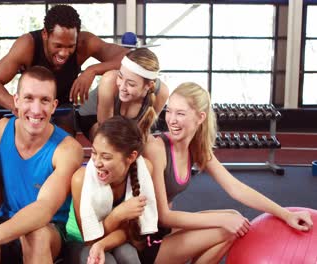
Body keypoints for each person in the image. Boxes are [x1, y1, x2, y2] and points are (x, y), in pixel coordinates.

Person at [141, 82, 314, 264]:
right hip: (146, 242)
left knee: (234, 217)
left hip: (164, 231)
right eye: (169, 111)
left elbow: (235, 188)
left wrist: (285, 214)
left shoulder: (195, 148)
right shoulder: (156, 148)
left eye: (180, 113)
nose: (171, 119)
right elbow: (164, 216)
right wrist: (221, 220)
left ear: (200, 118)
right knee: (228, 227)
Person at [0, 66, 84, 264]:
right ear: (16, 101)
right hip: (2, 224)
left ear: (54, 106)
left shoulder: (68, 149)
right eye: (29, 98)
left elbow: (44, 209)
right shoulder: (2, 128)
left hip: (46, 232)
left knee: (36, 235)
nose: (36, 110)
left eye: (44, 100)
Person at [0, 5, 127, 133]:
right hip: (34, 107)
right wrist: (16, 106)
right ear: (45, 34)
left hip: (62, 108)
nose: (64, 53)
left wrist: (92, 70)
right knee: (10, 134)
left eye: (70, 46)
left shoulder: (85, 43)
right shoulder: (27, 45)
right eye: (58, 46)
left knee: (66, 147)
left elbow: (128, 57)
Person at [71, 116, 158, 264]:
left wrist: (103, 244)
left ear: (131, 157)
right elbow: (91, 241)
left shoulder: (144, 170)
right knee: (108, 261)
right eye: (94, 153)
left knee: (128, 255)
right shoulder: (80, 179)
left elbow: (131, 233)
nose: (97, 162)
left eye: (106, 157)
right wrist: (117, 215)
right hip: (81, 242)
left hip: (116, 239)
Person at [77, 48, 168, 142]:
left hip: (128, 124)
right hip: (93, 116)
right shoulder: (109, 80)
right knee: (109, 143)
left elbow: (142, 133)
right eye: (120, 76)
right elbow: (106, 130)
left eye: (131, 84)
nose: (122, 87)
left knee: (147, 144)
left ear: (149, 85)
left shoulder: (162, 92)